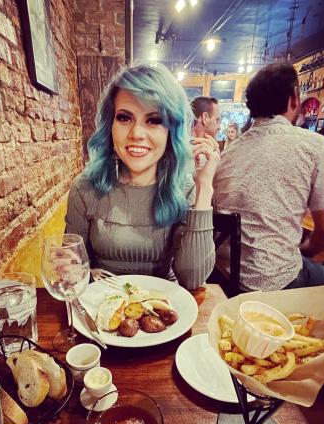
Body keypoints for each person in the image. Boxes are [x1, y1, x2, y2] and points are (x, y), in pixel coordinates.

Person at [65, 63, 220, 290]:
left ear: (171, 131)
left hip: (165, 308)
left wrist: (204, 186)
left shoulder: (184, 188)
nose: (136, 134)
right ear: (110, 125)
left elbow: (193, 279)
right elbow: (72, 264)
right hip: (102, 308)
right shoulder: (84, 188)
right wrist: (82, 273)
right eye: (124, 118)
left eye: (154, 120)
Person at [213, 62, 324, 292]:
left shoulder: (229, 152)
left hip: (224, 274)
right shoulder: (314, 145)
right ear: (294, 98)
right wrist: (306, 249)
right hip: (277, 282)